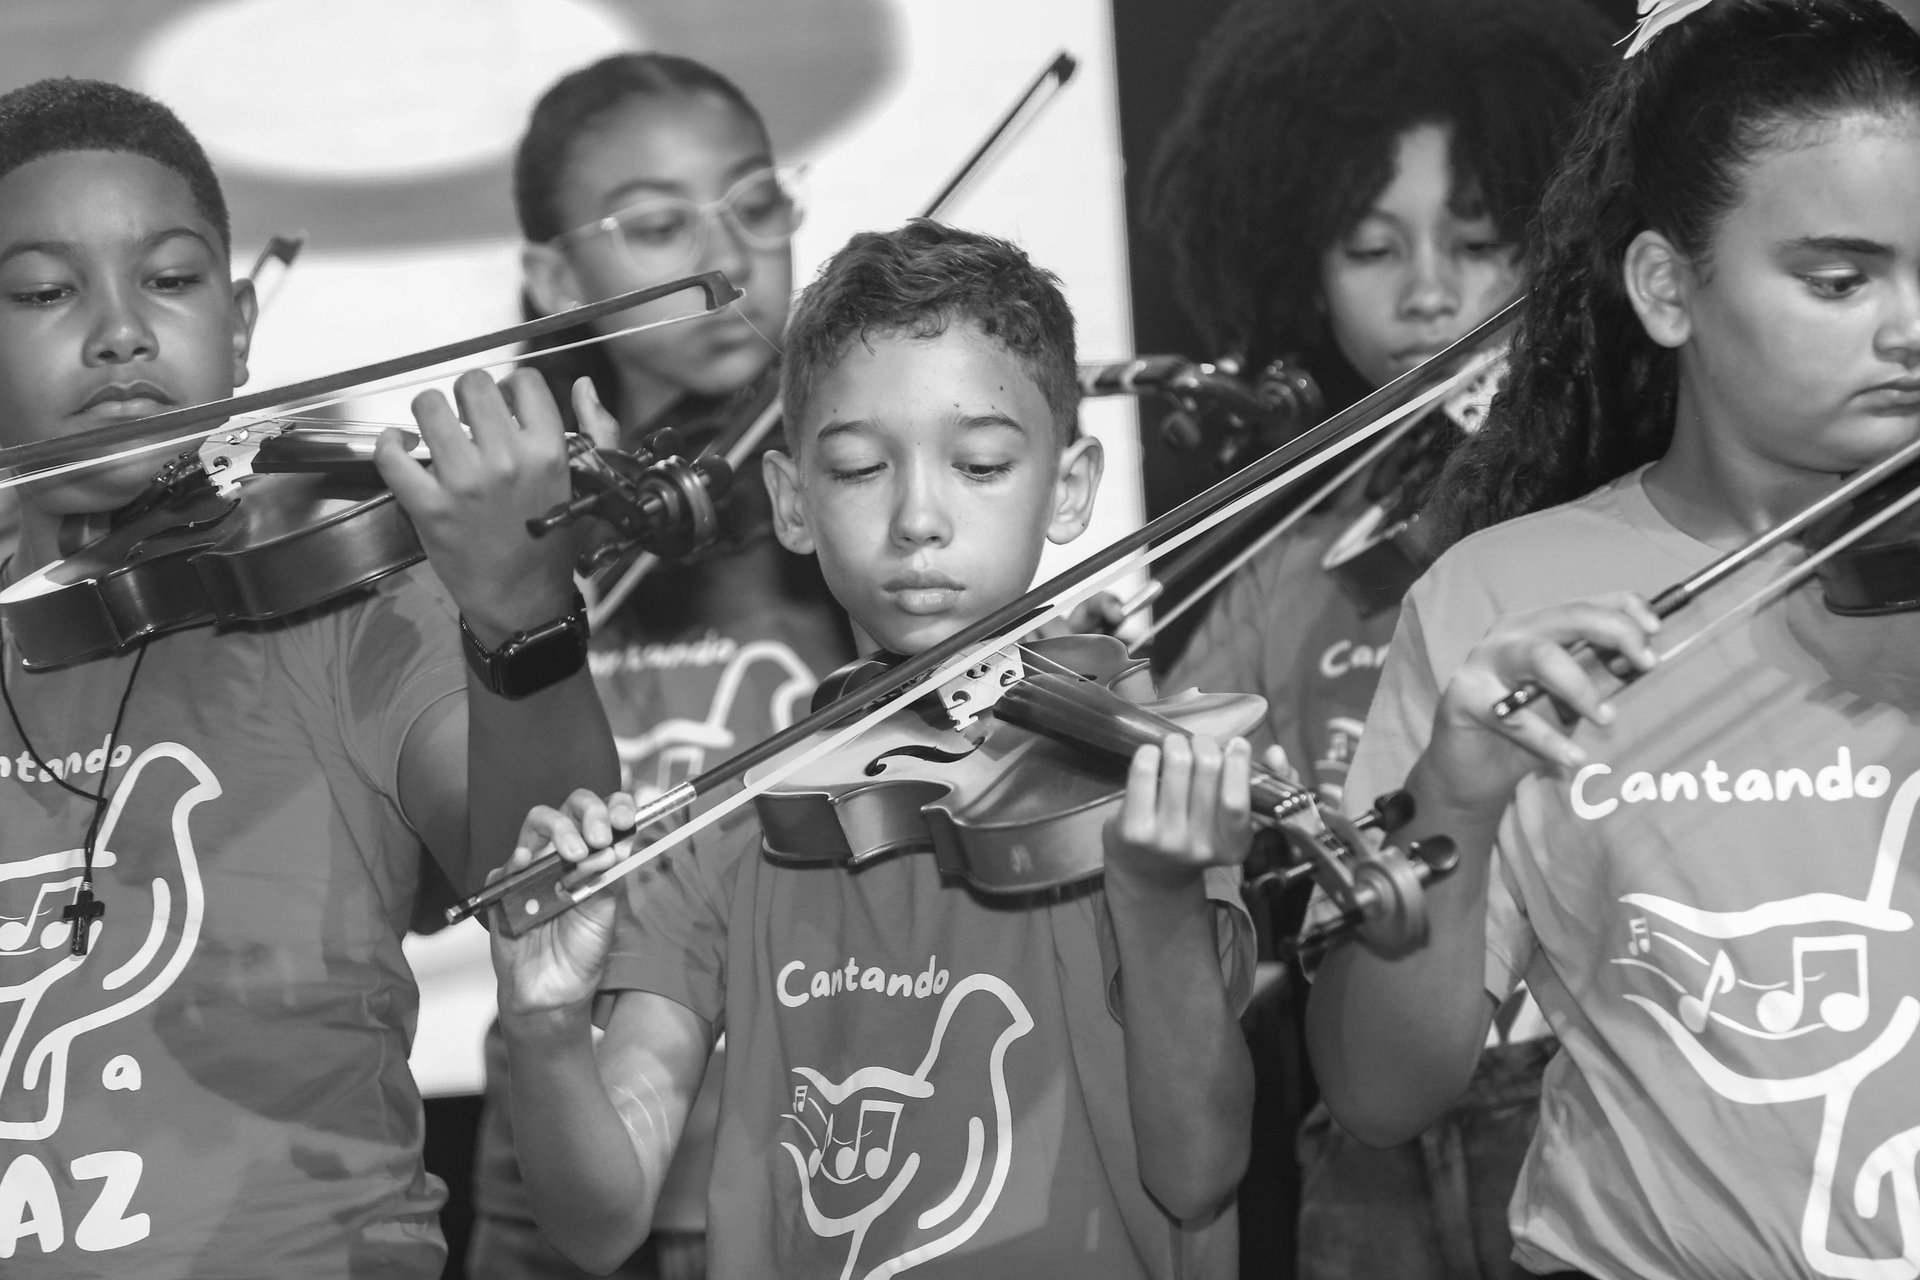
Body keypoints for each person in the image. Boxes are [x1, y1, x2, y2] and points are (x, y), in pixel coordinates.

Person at [487, 220, 1263, 1279]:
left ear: (1072, 485)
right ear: (793, 502)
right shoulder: (736, 820)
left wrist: (1163, 900)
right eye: (858, 469)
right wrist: (540, 1025)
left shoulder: (1136, 777)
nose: (918, 517)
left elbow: (1200, 1170)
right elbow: (601, 1217)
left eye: (981, 463)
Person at [1306, 1, 1920, 1275]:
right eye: (1840, 279)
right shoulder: (1502, 596)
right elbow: (1377, 1091)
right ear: (1666, 287)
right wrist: (1456, 809)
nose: (1910, 329)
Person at [0, 78, 620, 1277]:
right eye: (42, 291)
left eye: (170, 280)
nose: (121, 329)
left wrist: (521, 612)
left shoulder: (351, 604)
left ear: (238, 326)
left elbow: (525, 864)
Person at [1144, 1, 1617, 1274]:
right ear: (1297, 260)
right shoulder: (1295, 550)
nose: (1429, 294)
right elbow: (1177, 766)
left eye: (1480, 241)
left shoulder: (1610, 517)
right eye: (1371, 247)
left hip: (1590, 1103)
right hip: (1356, 1126)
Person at [464, 52, 854, 1280]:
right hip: (569, 1160)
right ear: (551, 271)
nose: (722, 256)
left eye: (754, 202)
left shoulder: (866, 493)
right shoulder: (511, 527)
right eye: (656, 224)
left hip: (836, 1148)